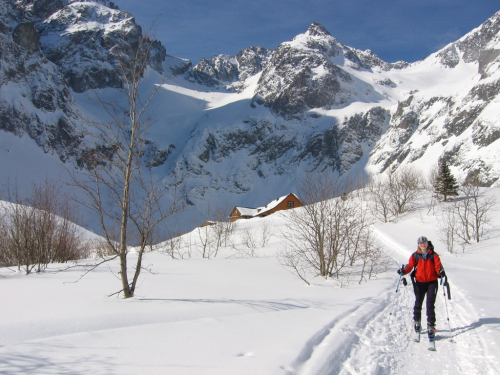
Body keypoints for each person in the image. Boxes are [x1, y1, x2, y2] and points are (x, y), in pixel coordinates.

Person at [397, 236, 446, 338]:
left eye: (424, 243)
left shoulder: (434, 255)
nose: (423, 245)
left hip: (432, 282)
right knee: (418, 302)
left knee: (430, 304)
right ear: (418, 245)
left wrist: (440, 272)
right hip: (420, 282)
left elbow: (438, 266)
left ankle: (431, 326)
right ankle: (417, 322)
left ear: (427, 244)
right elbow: (409, 266)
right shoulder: (415, 255)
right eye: (420, 243)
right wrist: (404, 271)